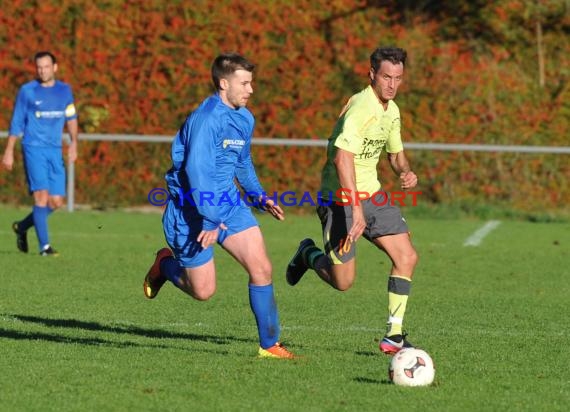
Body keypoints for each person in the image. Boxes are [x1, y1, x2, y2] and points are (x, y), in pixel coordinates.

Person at [143, 53, 296, 359]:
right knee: (203, 291)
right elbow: (196, 173)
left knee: (262, 268)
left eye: (251, 82)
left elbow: (242, 162)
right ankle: (164, 265)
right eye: (245, 83)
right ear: (224, 84)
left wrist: (258, 196)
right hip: (191, 210)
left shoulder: (244, 117)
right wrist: (210, 221)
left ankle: (270, 346)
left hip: (227, 203)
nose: (251, 90)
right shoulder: (206, 119)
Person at [285, 46, 419, 355]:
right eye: (387, 77)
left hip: (372, 194)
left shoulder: (392, 110)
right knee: (343, 282)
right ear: (372, 74)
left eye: (398, 78)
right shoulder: (361, 107)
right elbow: (342, 159)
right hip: (340, 200)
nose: (392, 84)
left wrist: (406, 171)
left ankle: (394, 336)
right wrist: (355, 210)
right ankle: (307, 254)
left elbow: (395, 152)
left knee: (407, 257)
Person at [2, 51, 79, 256]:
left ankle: (22, 227)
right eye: (39, 67)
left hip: (55, 150)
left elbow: (71, 118)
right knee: (41, 198)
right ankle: (45, 247)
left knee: (56, 202)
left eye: (46, 66)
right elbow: (17, 122)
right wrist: (8, 151)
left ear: (54, 67)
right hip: (33, 148)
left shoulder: (65, 91)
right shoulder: (27, 91)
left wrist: (74, 144)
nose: (42, 70)